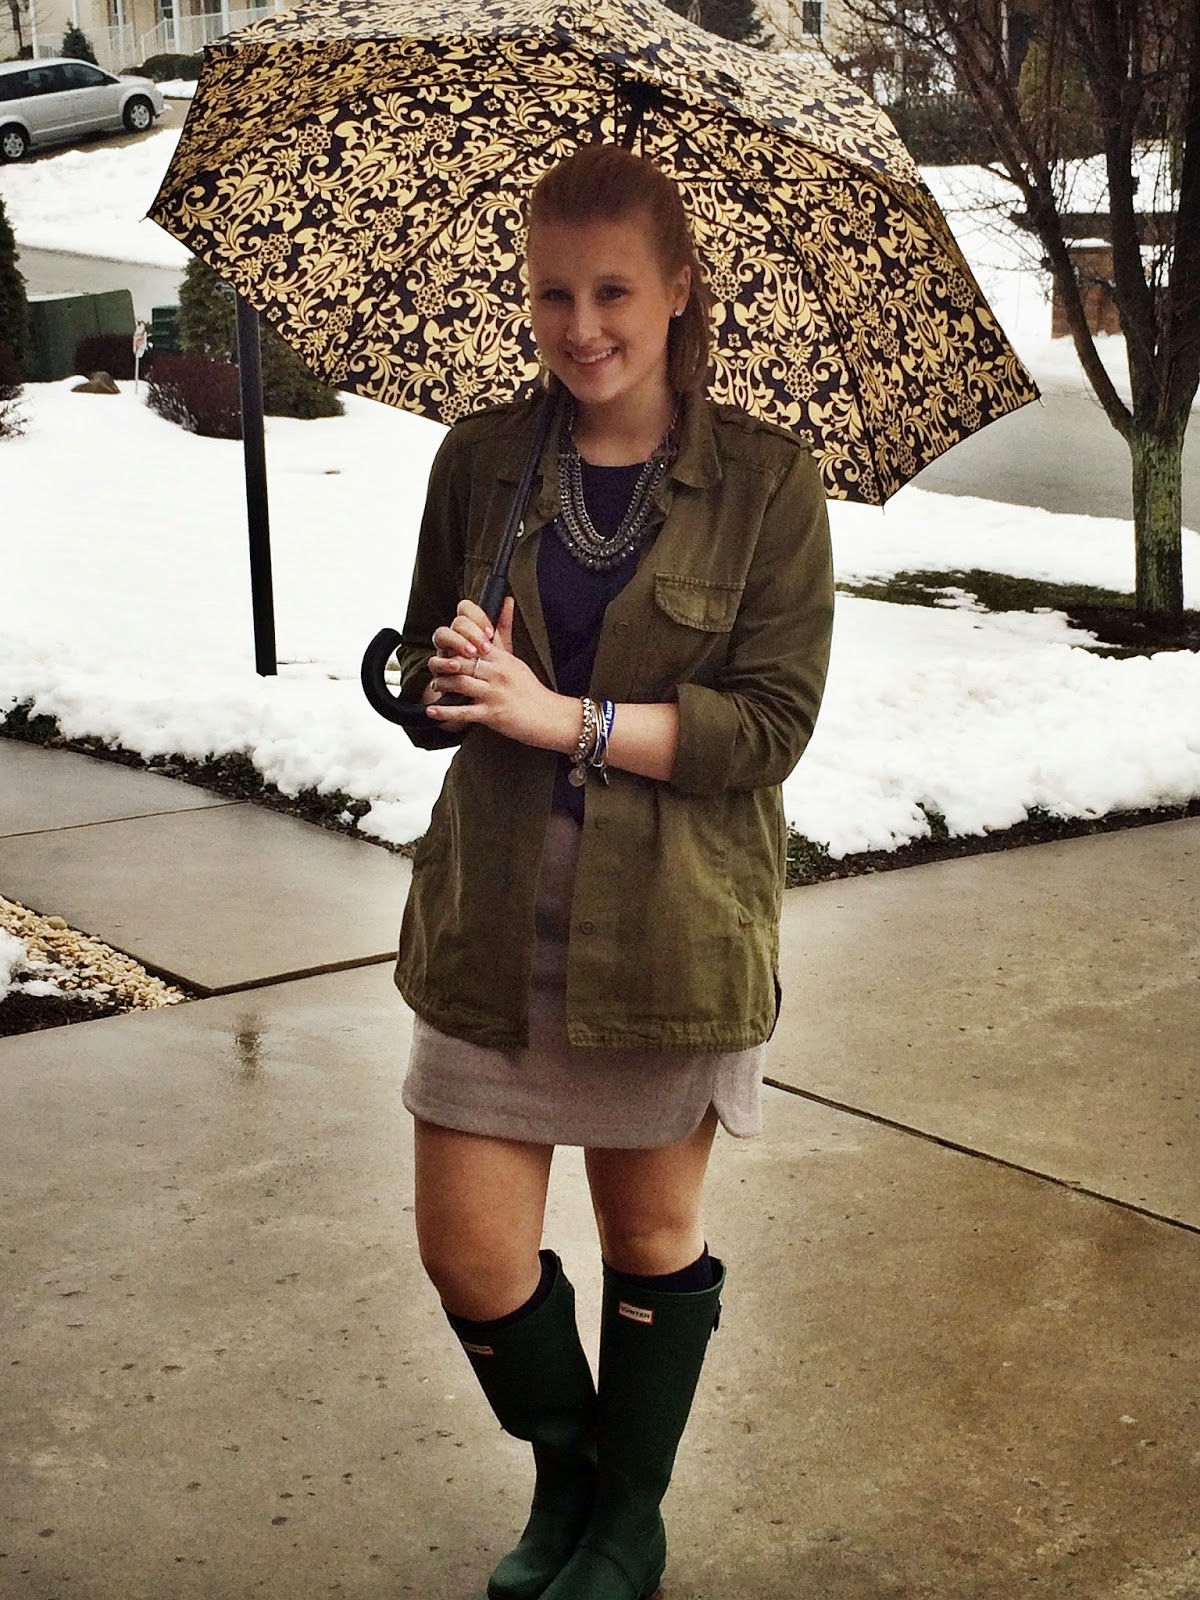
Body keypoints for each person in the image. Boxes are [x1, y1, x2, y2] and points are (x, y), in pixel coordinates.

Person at [393, 143, 834, 1600]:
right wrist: (444, 677)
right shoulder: (482, 459)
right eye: (552, 295)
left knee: (647, 1234)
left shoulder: (766, 483)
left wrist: (565, 718)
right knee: (470, 1252)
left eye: (613, 293)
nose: (580, 328)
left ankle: (626, 1523)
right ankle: (573, 1475)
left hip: (667, 928)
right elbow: (430, 679)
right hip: (492, 918)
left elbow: (766, 727)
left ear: (678, 289)